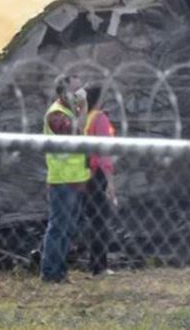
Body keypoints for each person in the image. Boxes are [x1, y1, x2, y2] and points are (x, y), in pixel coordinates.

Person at [41, 74, 90, 283]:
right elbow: (74, 131)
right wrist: (84, 105)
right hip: (61, 180)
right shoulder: (56, 114)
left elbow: (81, 126)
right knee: (58, 227)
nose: (79, 95)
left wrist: (82, 107)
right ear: (63, 93)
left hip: (75, 178)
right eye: (75, 91)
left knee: (68, 228)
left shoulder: (71, 111)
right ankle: (51, 272)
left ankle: (60, 270)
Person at [82, 85, 118, 276]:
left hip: (85, 172)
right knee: (101, 221)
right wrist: (110, 182)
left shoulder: (85, 118)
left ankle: (95, 263)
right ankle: (100, 265)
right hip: (98, 174)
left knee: (93, 219)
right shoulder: (100, 118)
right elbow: (104, 153)